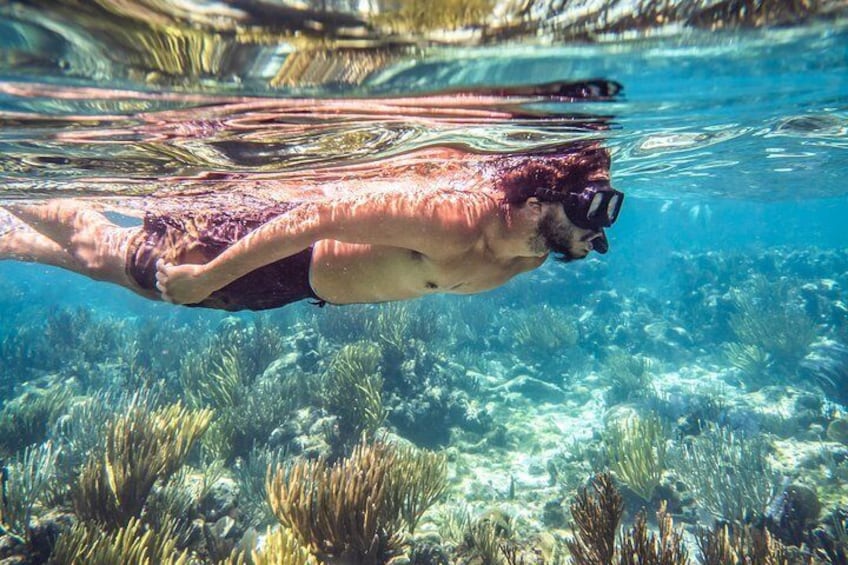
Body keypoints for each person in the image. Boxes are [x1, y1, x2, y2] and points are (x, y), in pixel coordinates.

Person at [0, 142, 622, 311]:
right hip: (268, 254)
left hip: (291, 289)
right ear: (539, 199)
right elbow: (316, 216)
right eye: (593, 208)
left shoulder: (532, 254)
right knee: (103, 248)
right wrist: (209, 275)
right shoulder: (456, 221)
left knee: (111, 270)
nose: (602, 232)